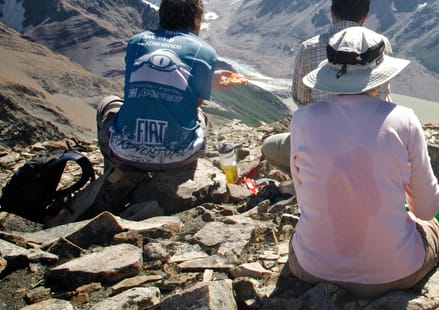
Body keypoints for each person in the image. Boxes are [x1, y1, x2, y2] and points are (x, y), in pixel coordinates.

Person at [286, 26, 439, 298]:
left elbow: (304, 201)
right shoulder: (403, 119)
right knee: (431, 226)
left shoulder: (302, 121)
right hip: (397, 272)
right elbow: (427, 209)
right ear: (379, 76)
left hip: (312, 267)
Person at [49, 0, 237, 225]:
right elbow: (194, 102)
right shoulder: (204, 51)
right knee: (201, 117)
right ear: (196, 19)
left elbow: (141, 89)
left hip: (125, 152)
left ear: (162, 14)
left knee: (109, 102)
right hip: (179, 157)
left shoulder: (136, 42)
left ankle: (114, 170)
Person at [261, 0, 392, 173]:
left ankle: (307, 177)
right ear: (365, 16)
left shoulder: (309, 48)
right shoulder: (381, 44)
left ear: (331, 12)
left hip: (321, 142)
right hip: (371, 140)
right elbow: (383, 97)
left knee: (270, 146)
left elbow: (302, 99)